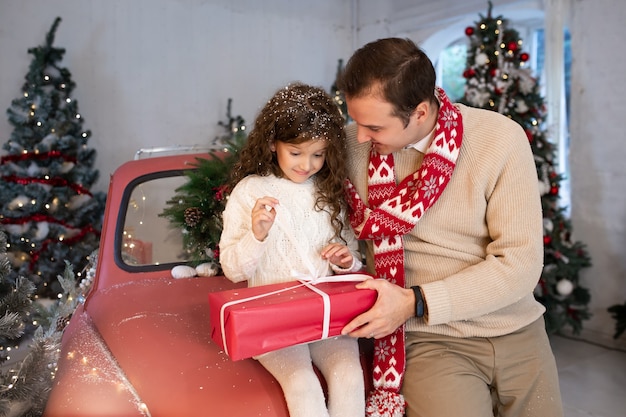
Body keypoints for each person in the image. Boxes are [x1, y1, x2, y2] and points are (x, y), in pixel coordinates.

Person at [336, 38, 564, 417]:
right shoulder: (350, 146)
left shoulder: (500, 139)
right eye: (355, 120)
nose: (359, 136)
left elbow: (521, 263)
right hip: (430, 339)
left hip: (516, 327)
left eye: (373, 125)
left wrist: (416, 300)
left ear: (421, 113)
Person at [219, 82, 365, 417]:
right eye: (296, 153)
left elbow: (350, 253)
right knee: (302, 385)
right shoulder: (250, 191)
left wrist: (345, 261)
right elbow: (233, 269)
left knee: (349, 376)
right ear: (272, 143)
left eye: (318, 154)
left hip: (325, 316)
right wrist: (256, 235)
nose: (307, 165)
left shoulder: (328, 188)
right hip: (273, 319)